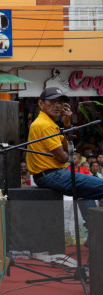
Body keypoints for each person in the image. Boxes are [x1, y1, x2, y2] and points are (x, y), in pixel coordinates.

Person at [27, 87, 103, 222]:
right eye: (52, 102)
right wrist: (68, 155)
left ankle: (91, 231)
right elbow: (64, 157)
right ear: (41, 104)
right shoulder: (44, 125)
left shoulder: (51, 123)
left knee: (87, 193)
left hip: (53, 174)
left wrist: (67, 125)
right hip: (52, 175)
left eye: (60, 102)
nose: (57, 106)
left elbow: (66, 149)